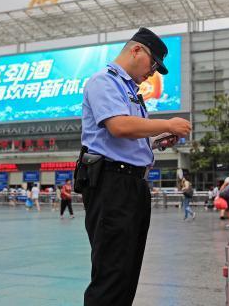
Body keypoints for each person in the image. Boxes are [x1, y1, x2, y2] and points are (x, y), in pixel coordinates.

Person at [79, 27, 191, 305]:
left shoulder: (130, 91)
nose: (152, 72)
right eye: (153, 64)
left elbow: (129, 137)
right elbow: (118, 126)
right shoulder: (104, 81)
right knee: (112, 272)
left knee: (128, 270)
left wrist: (155, 140)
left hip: (132, 184)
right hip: (111, 184)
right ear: (136, 50)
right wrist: (167, 123)